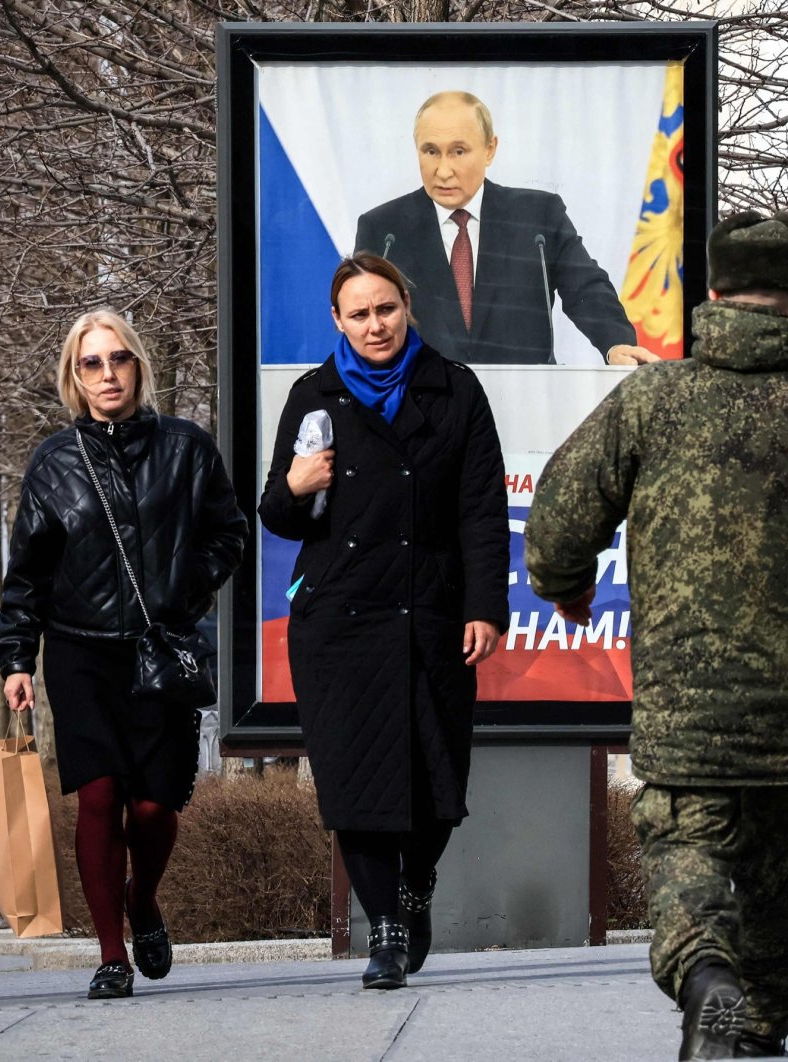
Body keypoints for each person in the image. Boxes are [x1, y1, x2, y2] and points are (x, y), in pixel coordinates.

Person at [525, 212, 788, 1059]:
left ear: (711, 293)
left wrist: (563, 590)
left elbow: (558, 524)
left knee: (688, 862)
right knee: (782, 890)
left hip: (685, 718)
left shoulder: (651, 399)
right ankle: (758, 1027)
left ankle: (706, 979)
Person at [258, 254, 509, 990]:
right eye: (359, 313)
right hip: (339, 618)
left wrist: (485, 606)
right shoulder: (314, 396)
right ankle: (386, 931)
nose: (375, 324)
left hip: (429, 612)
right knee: (354, 780)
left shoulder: (455, 390)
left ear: (408, 308)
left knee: (437, 781)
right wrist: (296, 486)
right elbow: (277, 511)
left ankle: (416, 885)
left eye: (386, 309)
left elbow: (482, 512)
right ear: (338, 321)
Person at [0, 309, 246, 1001]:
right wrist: (16, 656)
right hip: (79, 654)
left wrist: (180, 593)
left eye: (119, 359)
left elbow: (228, 534)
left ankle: (143, 900)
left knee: (156, 809)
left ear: (139, 366)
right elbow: (28, 574)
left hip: (160, 652)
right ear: (75, 377)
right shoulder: (54, 461)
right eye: (92, 363)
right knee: (100, 798)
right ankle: (110, 955)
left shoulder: (187, 449)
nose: (108, 374)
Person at [354, 91, 656, 367]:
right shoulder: (384, 230)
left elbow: (586, 288)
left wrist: (615, 343)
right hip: (419, 408)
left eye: (458, 152)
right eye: (431, 151)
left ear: (490, 149)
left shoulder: (538, 217)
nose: (443, 170)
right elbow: (360, 318)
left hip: (526, 401)